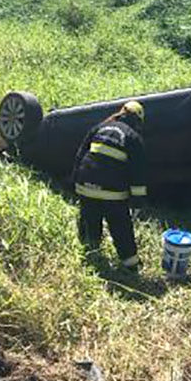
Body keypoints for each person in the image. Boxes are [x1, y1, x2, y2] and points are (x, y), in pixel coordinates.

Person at [74, 100, 148, 272]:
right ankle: (131, 266)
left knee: (89, 219)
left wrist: (75, 184)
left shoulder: (99, 127)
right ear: (137, 121)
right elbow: (138, 173)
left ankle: (90, 254)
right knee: (121, 227)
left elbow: (80, 155)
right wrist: (137, 203)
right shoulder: (133, 138)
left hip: (85, 187)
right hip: (112, 194)